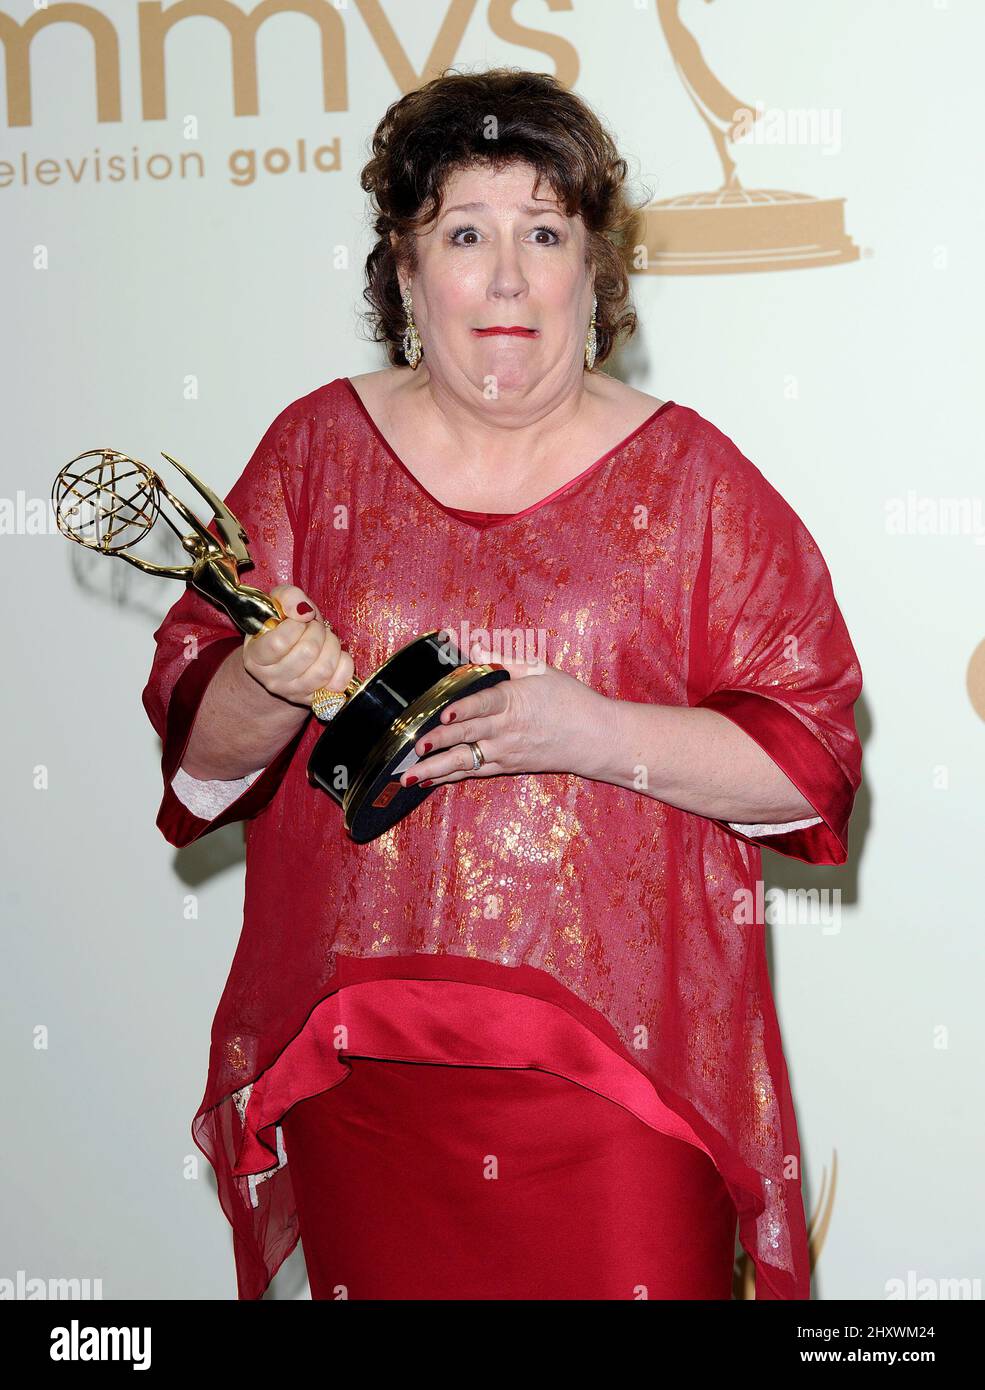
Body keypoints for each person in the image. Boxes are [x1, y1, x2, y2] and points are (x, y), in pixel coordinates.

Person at [141, 68, 863, 1301]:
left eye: (546, 232)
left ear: (596, 270)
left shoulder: (691, 480)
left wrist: (592, 732)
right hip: (365, 1074)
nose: (510, 276)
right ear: (405, 271)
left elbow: (808, 768)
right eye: (465, 234)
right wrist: (267, 676)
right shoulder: (314, 453)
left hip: (624, 1083)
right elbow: (205, 769)